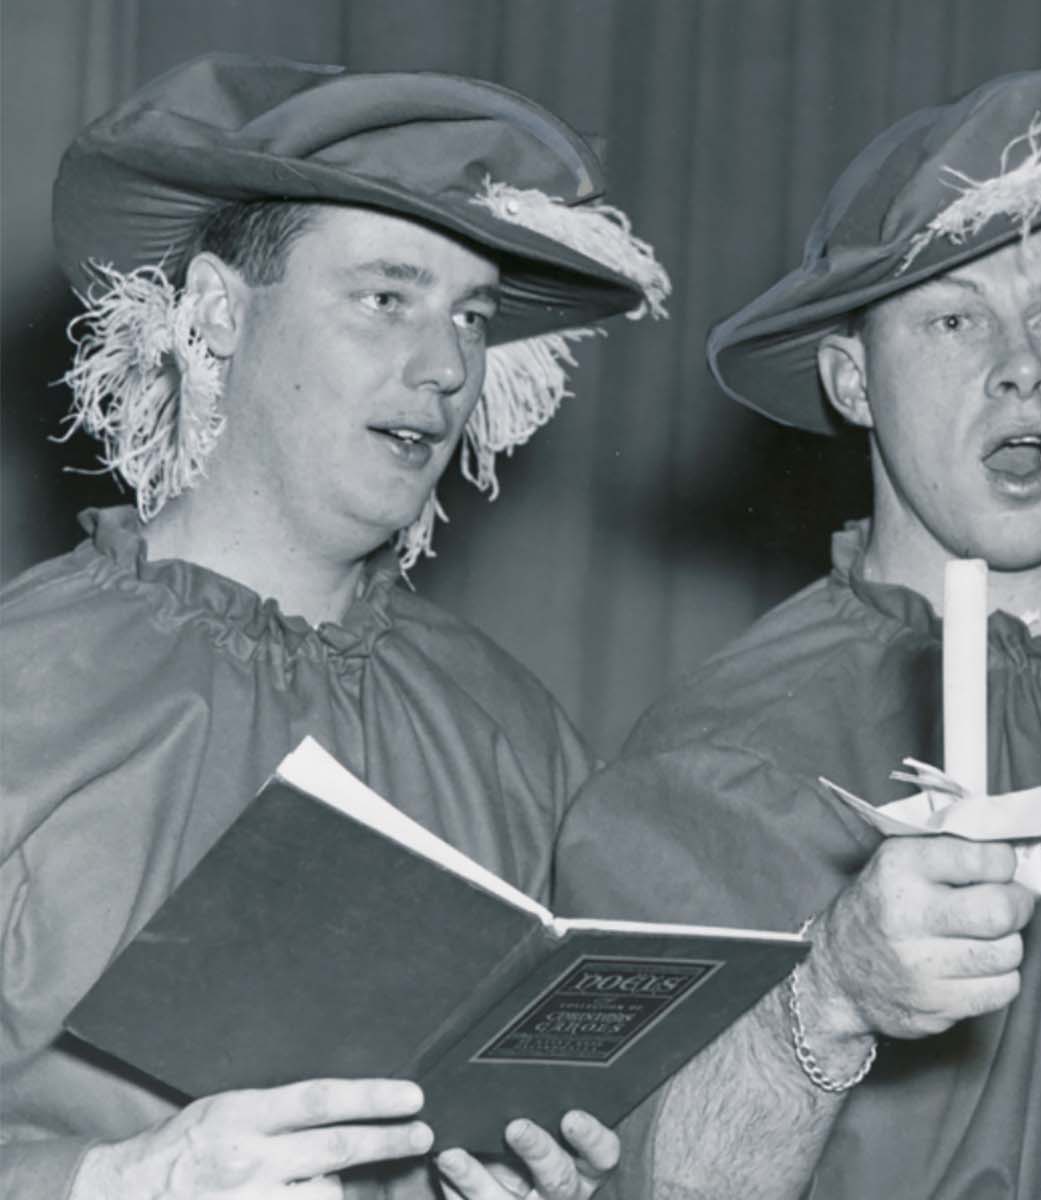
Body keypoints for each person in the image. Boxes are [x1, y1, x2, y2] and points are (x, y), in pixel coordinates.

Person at [556, 67, 1041, 1198]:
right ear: (850, 380)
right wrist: (826, 994)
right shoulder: (713, 760)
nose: (1021, 365)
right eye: (954, 318)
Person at [0, 52, 682, 1200]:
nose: (446, 364)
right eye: (386, 298)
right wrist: (121, 1180)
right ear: (217, 313)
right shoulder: (22, 684)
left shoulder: (516, 734)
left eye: (471, 315)